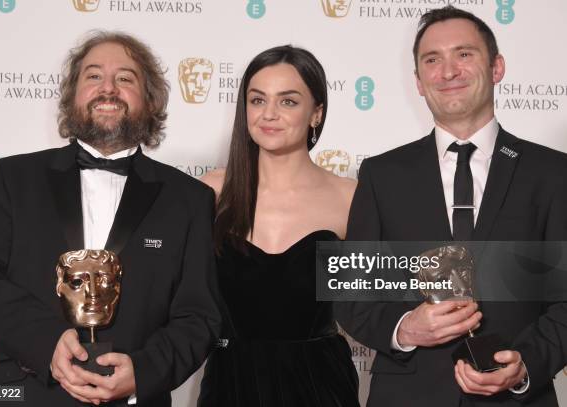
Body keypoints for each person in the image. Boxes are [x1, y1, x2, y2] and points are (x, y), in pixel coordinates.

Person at [0, 31, 221, 407]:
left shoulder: (189, 199)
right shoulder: (12, 179)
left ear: (150, 99)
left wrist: (143, 373)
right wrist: (45, 341)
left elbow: (200, 317)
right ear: (72, 95)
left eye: (125, 78)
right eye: (93, 76)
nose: (108, 88)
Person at [336, 6, 567, 406]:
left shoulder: (553, 172)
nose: (448, 71)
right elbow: (351, 294)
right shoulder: (380, 174)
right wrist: (405, 328)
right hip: (406, 396)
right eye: (432, 60)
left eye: (464, 54)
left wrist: (527, 362)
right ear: (419, 82)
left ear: (497, 68)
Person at [197, 45, 359, 407]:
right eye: (257, 100)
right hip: (230, 382)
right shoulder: (211, 193)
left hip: (321, 384)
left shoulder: (350, 197)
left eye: (288, 101)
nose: (269, 114)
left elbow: (383, 300)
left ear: (316, 113)